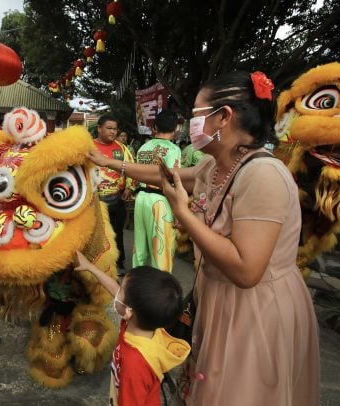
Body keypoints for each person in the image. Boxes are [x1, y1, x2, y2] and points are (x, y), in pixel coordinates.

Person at [88, 71, 319, 405]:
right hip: (217, 298)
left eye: (196, 114)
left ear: (223, 117)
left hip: (254, 308)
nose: (189, 122)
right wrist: (108, 163)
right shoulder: (216, 165)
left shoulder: (263, 174)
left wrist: (183, 214)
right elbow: (167, 175)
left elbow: (246, 269)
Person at [75, 251, 190, 406]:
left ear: (129, 311)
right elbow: (115, 290)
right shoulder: (147, 324)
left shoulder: (134, 364)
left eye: (121, 289)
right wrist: (90, 267)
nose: (117, 291)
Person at [133, 110, 181, 272]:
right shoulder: (174, 150)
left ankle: (134, 284)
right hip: (161, 200)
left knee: (139, 246)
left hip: (140, 198)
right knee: (161, 247)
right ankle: (161, 288)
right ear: (175, 129)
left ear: (155, 127)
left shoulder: (143, 148)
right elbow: (174, 180)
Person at [93, 114, 136, 273]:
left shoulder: (122, 148)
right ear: (99, 128)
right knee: (96, 234)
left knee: (117, 232)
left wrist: (129, 187)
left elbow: (131, 167)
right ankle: (96, 265)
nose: (112, 132)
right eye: (108, 128)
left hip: (116, 199)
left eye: (115, 129)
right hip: (94, 200)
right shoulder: (89, 147)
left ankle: (118, 263)